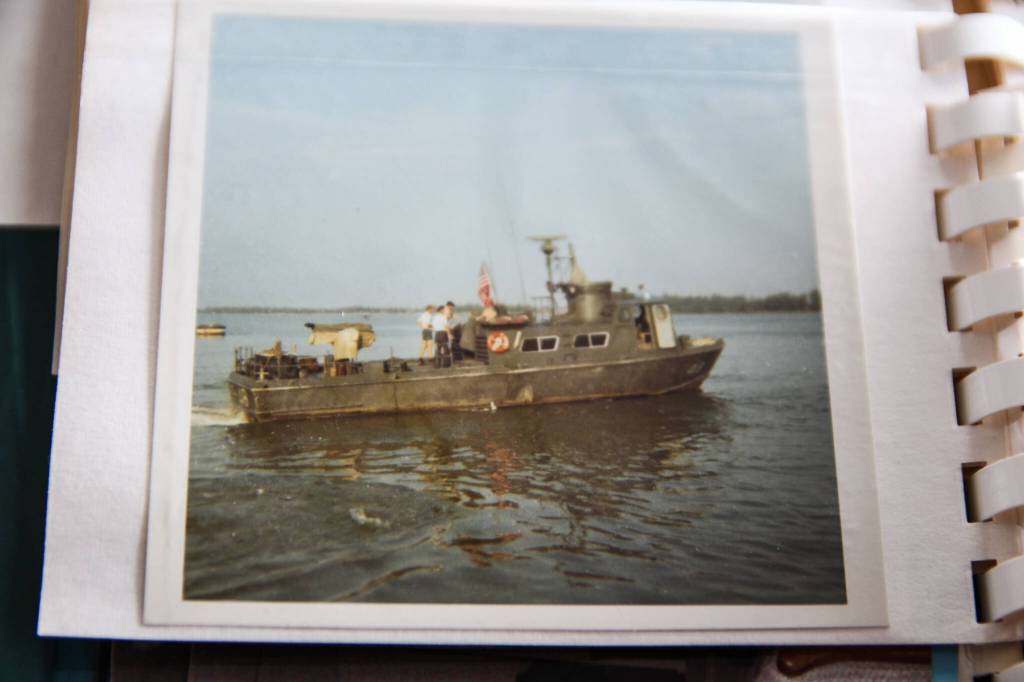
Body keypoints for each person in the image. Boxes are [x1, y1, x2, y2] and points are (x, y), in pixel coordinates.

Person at [431, 303, 454, 368]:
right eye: (444, 310)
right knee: (445, 348)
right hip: (443, 333)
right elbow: (446, 326)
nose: (444, 311)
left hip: (437, 334)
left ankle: (437, 364)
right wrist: (449, 334)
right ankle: (446, 364)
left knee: (438, 349)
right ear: (441, 310)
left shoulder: (434, 317)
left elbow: (432, 327)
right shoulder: (443, 317)